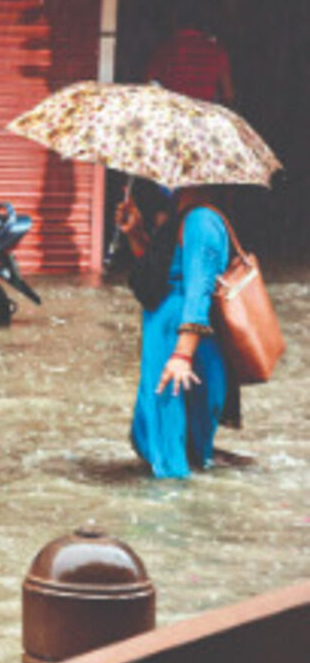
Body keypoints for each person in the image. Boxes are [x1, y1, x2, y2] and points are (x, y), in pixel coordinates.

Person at [117, 185, 232, 478]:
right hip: (165, 335)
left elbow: (198, 291)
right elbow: (162, 273)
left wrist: (182, 355)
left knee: (172, 445)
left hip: (179, 341)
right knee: (161, 433)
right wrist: (135, 233)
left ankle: (171, 512)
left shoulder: (201, 221)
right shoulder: (181, 218)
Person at [146, 5, 234, 105]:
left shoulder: (165, 48)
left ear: (175, 22)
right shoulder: (217, 51)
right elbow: (228, 95)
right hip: (205, 113)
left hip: (174, 112)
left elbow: (149, 85)